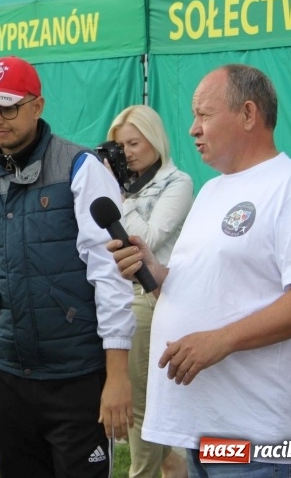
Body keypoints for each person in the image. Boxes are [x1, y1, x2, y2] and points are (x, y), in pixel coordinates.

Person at [110, 64, 291, 477]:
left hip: (255, 438)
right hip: (203, 430)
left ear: (249, 114)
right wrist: (154, 273)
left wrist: (222, 340)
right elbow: (198, 289)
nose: (192, 129)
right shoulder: (213, 189)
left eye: (204, 114)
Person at [0, 55, 135, 477]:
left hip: (78, 378)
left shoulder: (82, 168)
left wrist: (116, 376)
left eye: (7, 106)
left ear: (37, 105)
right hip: (8, 381)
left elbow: (111, 278)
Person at [105, 105, 192, 478]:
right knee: (132, 394)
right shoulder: (120, 185)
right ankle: (170, 463)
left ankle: (143, 472)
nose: (126, 153)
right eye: (119, 146)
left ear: (155, 139)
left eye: (134, 143)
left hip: (150, 295)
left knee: (138, 400)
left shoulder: (178, 183)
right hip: (114, 294)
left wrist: (117, 198)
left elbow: (151, 241)